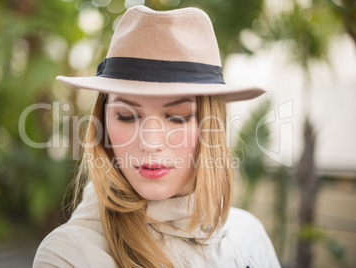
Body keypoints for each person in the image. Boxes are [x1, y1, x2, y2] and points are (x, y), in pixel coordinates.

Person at [33, 5, 281, 268]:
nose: (151, 143)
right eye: (127, 117)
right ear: (103, 123)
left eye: (177, 117)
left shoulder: (249, 238)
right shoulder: (67, 255)